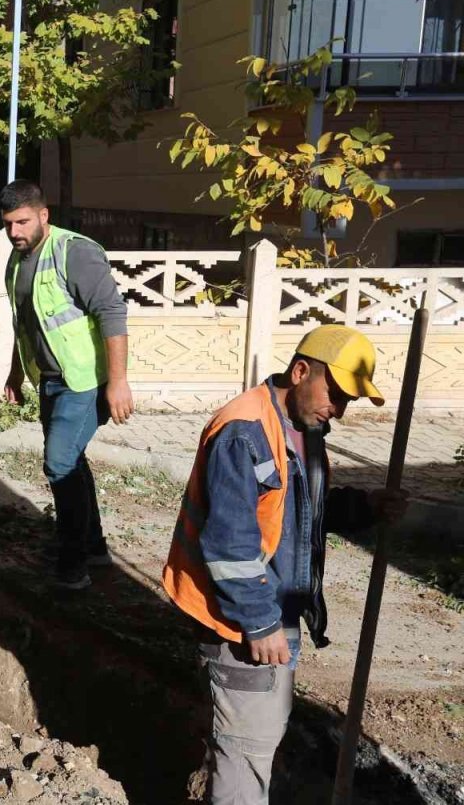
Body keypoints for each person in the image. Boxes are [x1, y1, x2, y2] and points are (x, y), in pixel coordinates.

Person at [161, 325, 406, 804]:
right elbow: (230, 544)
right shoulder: (244, 432)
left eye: (348, 400)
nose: (339, 408)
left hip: (271, 610)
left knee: (256, 736)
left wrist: (366, 508)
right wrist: (260, 622)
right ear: (300, 372)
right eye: (335, 393)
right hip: (238, 618)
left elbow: (303, 508)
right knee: (246, 749)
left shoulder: (303, 428)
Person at [0, 179, 133, 590]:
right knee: (71, 460)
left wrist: (118, 382)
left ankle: (73, 565)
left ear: (43, 215)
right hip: (50, 380)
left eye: (22, 222)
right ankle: (94, 545)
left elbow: (112, 314)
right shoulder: (17, 260)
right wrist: (16, 372)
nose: (14, 232)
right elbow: (25, 325)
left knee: (59, 462)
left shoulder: (73, 252)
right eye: (7, 224)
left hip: (85, 382)